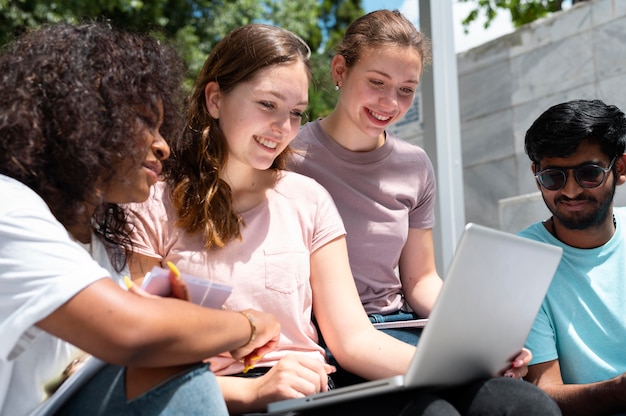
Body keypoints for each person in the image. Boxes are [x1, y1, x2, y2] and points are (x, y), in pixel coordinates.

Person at [127, 22, 561, 416]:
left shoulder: (309, 198)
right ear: (215, 98)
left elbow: (358, 331)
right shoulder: (152, 202)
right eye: (267, 104)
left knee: (526, 408)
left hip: (320, 379)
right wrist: (249, 392)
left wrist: (468, 360)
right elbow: (140, 353)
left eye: (295, 112)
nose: (282, 127)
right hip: (232, 391)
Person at [0, 22, 281, 416]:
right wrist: (248, 325)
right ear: (78, 116)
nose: (163, 144)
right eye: (144, 121)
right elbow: (133, 332)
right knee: (169, 359)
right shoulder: (7, 207)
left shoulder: (103, 243)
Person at [288, 9, 440, 347]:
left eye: (406, 89)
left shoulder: (415, 165)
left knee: (513, 399)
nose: (390, 102)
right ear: (340, 70)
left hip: (400, 325)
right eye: (377, 82)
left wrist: (470, 323)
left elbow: (421, 280)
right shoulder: (287, 156)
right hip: (325, 336)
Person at [519, 99, 626, 415]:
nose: (570, 191)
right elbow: (544, 394)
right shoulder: (520, 262)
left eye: (588, 174)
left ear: (619, 168)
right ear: (536, 173)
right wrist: (618, 392)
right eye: (553, 177)